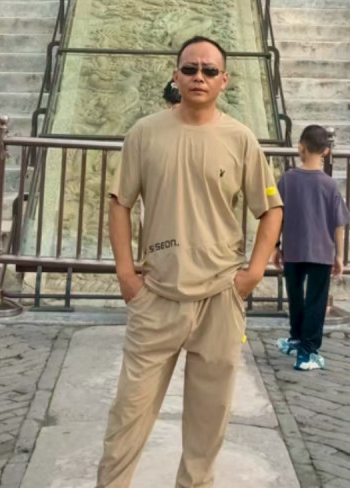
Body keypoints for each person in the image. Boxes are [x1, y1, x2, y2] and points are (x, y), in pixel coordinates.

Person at [96, 36, 283, 488]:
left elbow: (271, 208)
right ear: (175, 75)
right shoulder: (144, 133)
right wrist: (126, 274)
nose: (199, 77)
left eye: (209, 70)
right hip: (157, 295)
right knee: (128, 414)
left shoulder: (240, 139)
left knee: (208, 420)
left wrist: (253, 273)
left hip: (220, 297)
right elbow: (120, 202)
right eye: (190, 68)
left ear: (225, 80)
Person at [273, 124, 350, 371]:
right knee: (316, 301)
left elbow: (276, 216)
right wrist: (339, 255)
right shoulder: (329, 185)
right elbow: (339, 224)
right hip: (321, 251)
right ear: (326, 151)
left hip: (293, 249)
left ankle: (296, 337)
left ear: (301, 147)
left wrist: (276, 245)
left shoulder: (287, 180)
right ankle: (308, 352)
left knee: (295, 296)